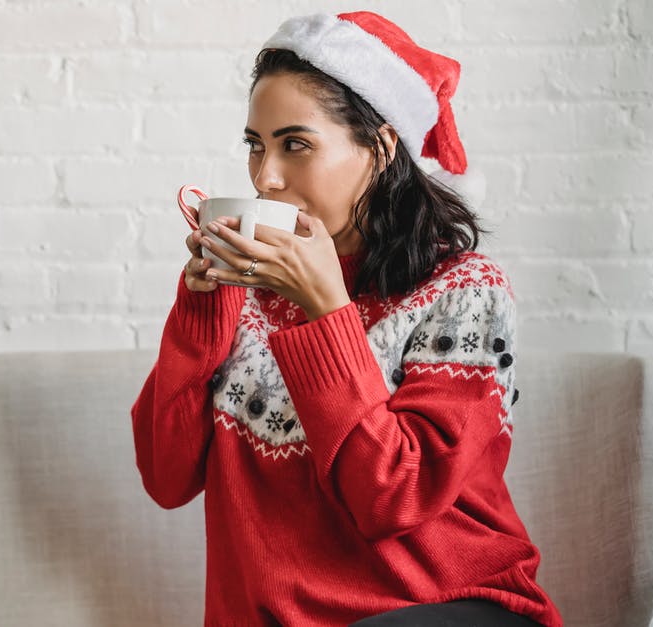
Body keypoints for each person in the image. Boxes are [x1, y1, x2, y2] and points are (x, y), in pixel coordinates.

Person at [131, 11, 562, 627]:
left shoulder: (464, 289)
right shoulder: (248, 290)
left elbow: (393, 498)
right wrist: (201, 308)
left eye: (296, 144)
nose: (265, 177)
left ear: (381, 148)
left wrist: (325, 311)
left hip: (445, 607)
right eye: (256, 145)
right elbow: (166, 478)